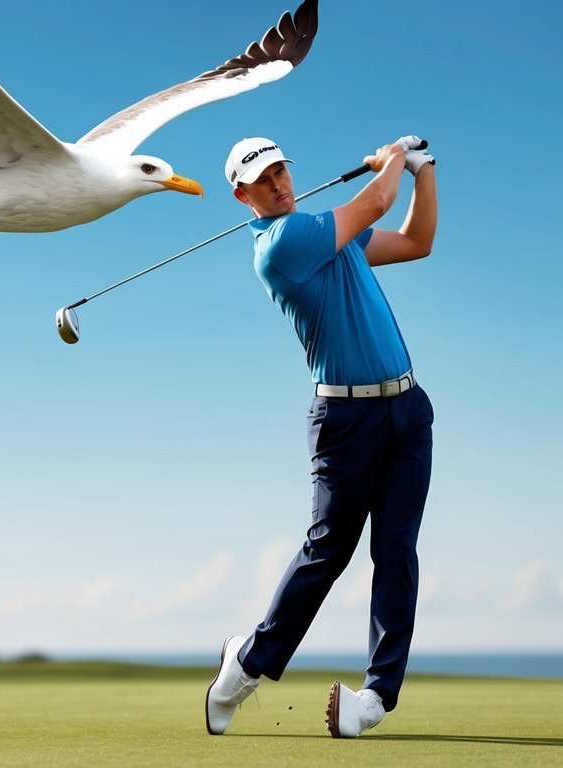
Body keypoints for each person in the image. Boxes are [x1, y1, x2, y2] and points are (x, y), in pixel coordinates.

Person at [205, 136, 438, 739]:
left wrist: (423, 171)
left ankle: (377, 697)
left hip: (408, 411)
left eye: (282, 170)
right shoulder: (283, 244)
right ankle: (248, 663)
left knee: (396, 553)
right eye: (263, 180)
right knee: (328, 550)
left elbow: (417, 242)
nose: (279, 183)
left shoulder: (327, 233)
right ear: (242, 195)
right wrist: (391, 160)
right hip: (345, 422)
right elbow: (375, 204)